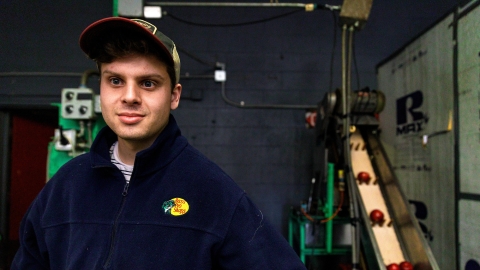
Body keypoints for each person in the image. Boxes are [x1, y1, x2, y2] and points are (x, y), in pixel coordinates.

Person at [12, 17, 306, 269]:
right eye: (115, 81)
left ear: (174, 95)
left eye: (148, 83)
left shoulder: (213, 193)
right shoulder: (65, 188)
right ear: (100, 89)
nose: (129, 96)